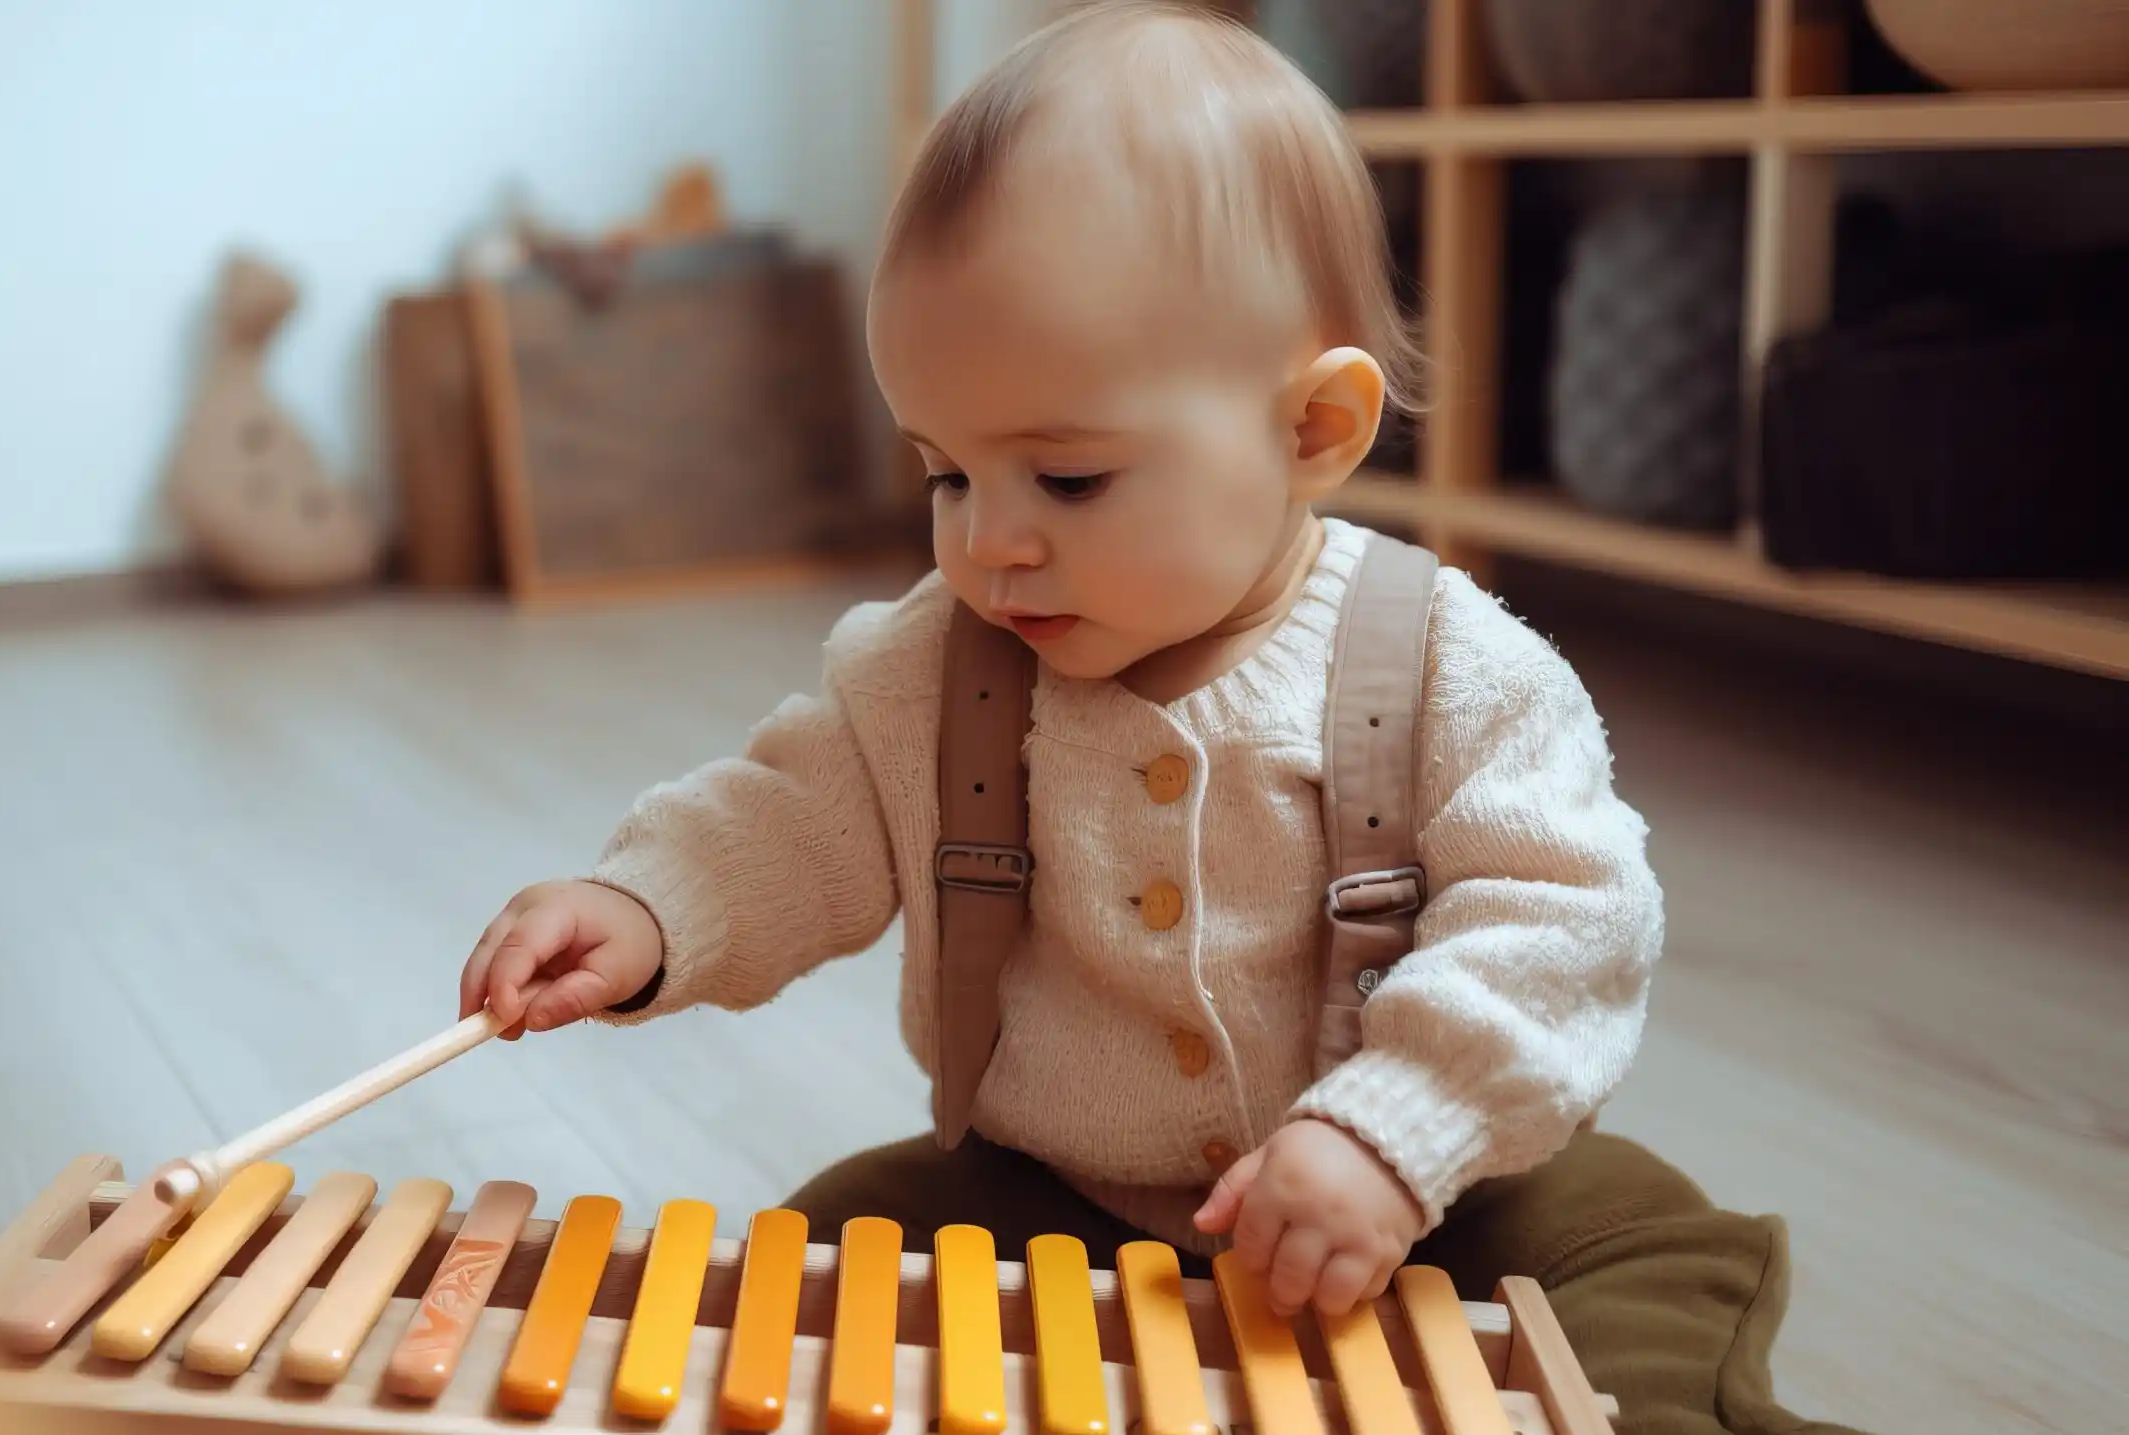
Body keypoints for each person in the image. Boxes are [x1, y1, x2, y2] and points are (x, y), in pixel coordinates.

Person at [460, 6, 1861, 1433]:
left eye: (1065, 481)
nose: (988, 543)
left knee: (1644, 1253)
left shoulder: (1451, 665)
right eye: (948, 472)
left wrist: (1394, 1131)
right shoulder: (933, 671)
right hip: (1056, 1196)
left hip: (1429, 1198)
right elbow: (795, 816)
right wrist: (644, 910)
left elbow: (1566, 923)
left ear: (1312, 431)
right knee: (824, 1256)